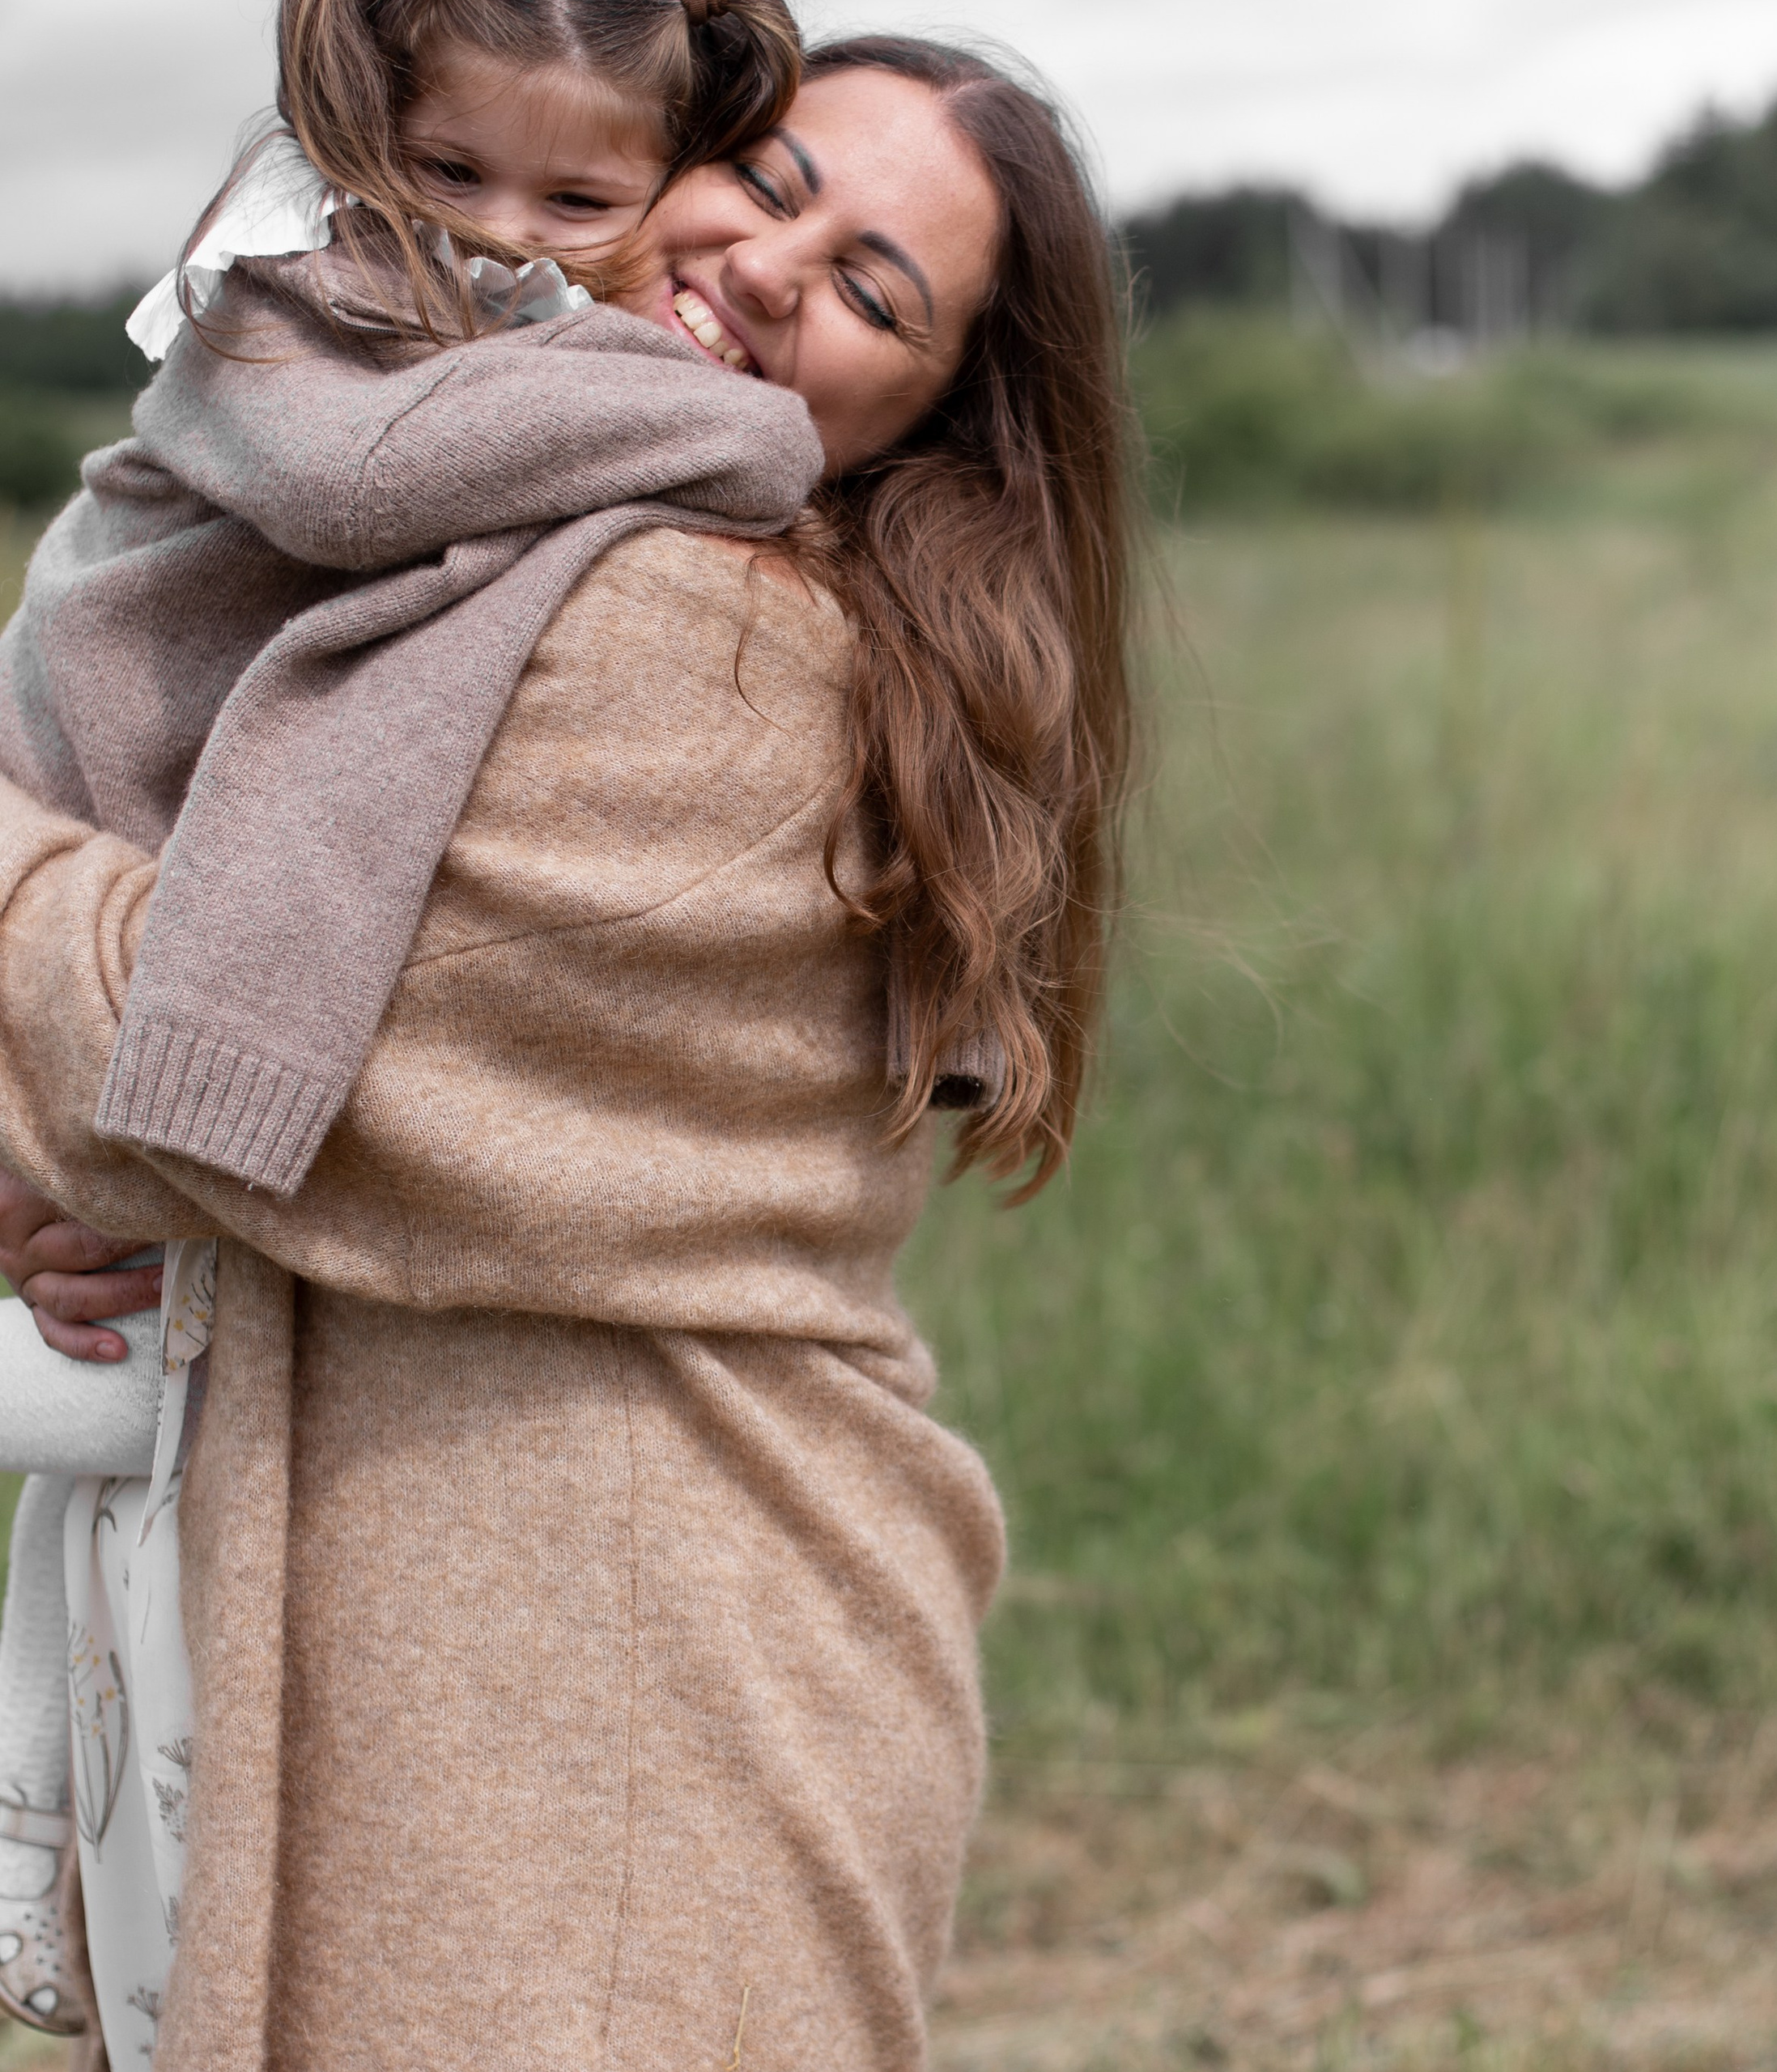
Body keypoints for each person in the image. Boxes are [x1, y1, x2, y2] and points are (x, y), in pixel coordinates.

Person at [0, 32, 1137, 2071]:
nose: (783, 272)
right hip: (457, 1639)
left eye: (879, 290)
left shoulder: (703, 648)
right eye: (773, 184)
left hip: (624, 1700)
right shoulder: (504, 547)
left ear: (938, 421)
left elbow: (194, 1056)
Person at [0, 0, 814, 2041]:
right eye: (449, 172)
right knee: (95, 1370)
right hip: (89, 774)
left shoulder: (535, 327)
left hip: (152, 862)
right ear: (369, 121)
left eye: (573, 196)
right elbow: (363, 483)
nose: (491, 228)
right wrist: (747, 428)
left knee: (125, 1405)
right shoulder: (292, 274)